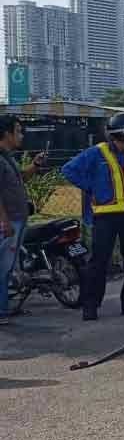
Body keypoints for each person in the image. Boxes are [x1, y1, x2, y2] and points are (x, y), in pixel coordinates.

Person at [62, 113, 124, 321]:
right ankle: (91, 305)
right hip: (105, 217)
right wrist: (92, 188)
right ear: (123, 134)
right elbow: (68, 170)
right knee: (99, 262)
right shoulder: (96, 153)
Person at [0, 117, 47, 325]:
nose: (21, 135)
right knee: (2, 268)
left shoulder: (7, 158)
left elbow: (21, 177)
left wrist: (35, 165)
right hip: (8, 222)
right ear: (7, 134)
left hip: (17, 220)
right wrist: (5, 222)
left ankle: (4, 308)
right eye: (18, 131)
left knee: (8, 267)